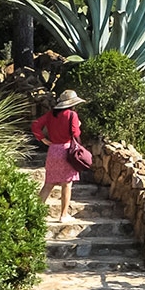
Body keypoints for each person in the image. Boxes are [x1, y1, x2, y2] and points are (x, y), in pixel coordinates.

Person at [31, 90, 86, 223]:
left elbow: (35, 125)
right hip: (66, 150)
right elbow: (74, 132)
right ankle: (63, 215)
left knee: (48, 184)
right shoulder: (72, 115)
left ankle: (34, 214)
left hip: (53, 149)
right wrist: (79, 128)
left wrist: (43, 139)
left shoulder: (51, 114)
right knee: (66, 184)